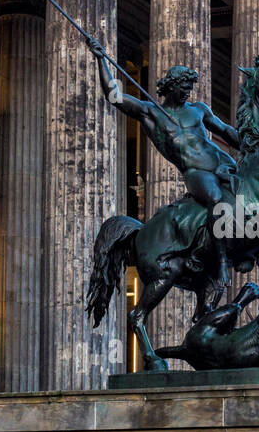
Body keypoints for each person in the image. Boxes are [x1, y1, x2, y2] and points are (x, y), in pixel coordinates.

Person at [99, 60, 241, 295]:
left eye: (189, 88)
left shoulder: (198, 110)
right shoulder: (152, 113)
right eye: (183, 87)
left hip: (223, 163)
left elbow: (225, 131)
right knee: (216, 200)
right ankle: (222, 261)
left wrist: (251, 144)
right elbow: (115, 96)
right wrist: (101, 59)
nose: (187, 92)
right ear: (170, 87)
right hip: (196, 173)